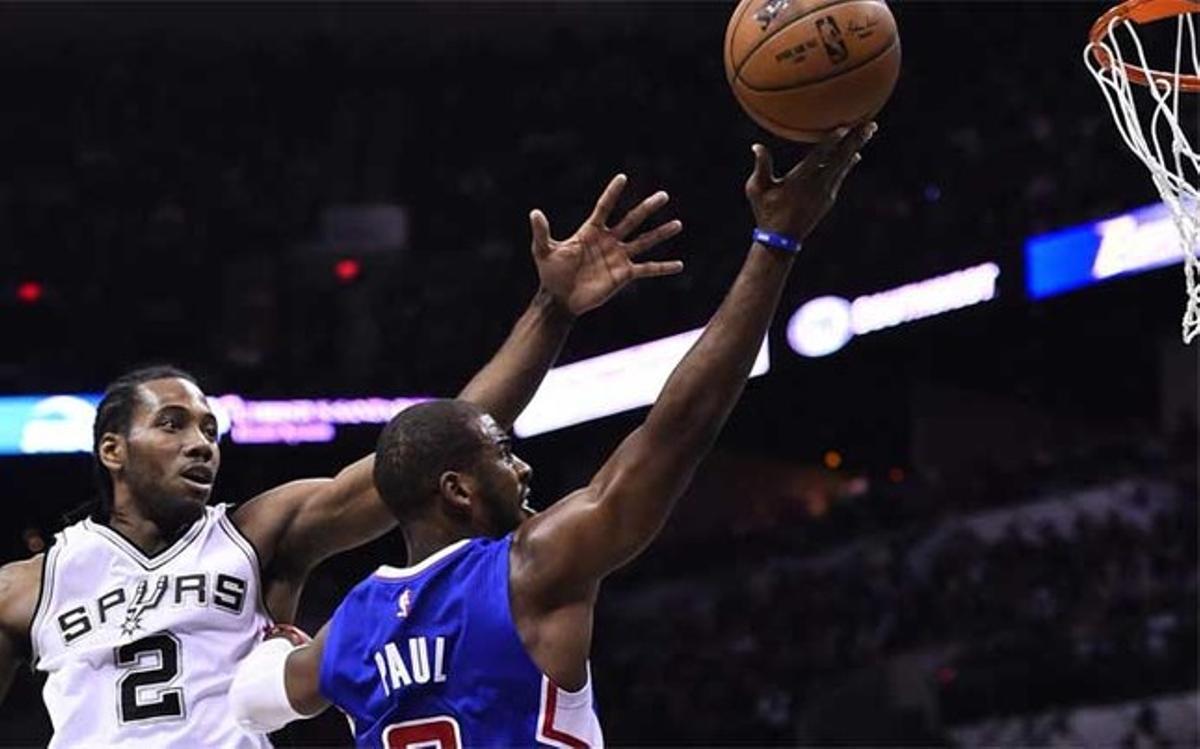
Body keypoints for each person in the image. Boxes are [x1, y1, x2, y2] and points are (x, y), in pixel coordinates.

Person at [229, 123, 877, 745]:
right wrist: (776, 242)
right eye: (503, 453)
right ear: (457, 489)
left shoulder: (347, 633)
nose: (524, 470)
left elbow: (249, 697)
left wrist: (280, 642)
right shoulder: (529, 568)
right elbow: (681, 426)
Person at [0, 176, 684, 748]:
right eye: (172, 424)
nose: (201, 442)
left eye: (210, 426)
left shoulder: (256, 534)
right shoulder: (28, 585)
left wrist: (551, 310)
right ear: (111, 449)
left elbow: (442, 439)